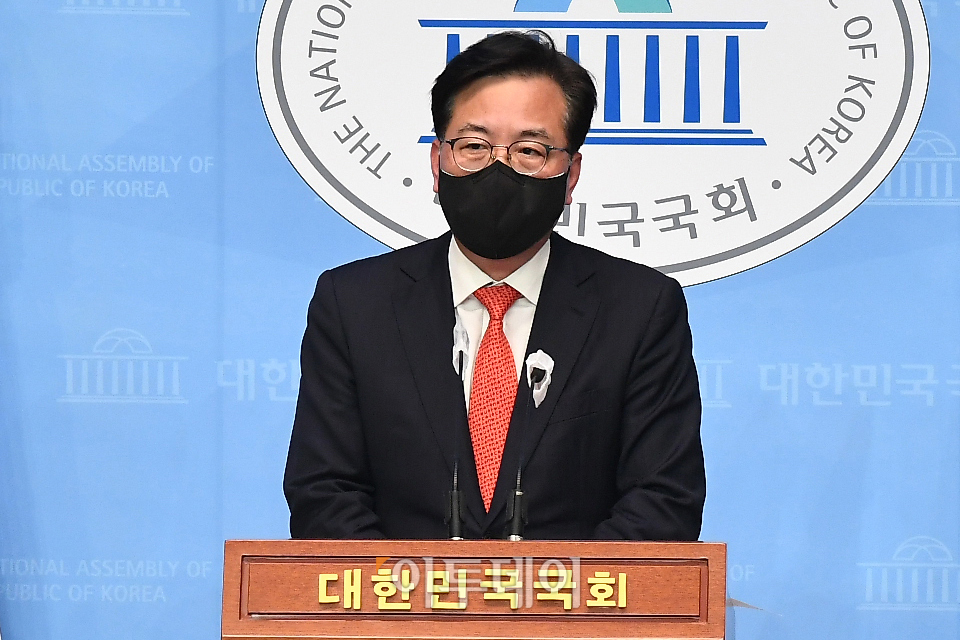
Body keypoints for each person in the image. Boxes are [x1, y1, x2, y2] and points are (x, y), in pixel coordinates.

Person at [283, 31, 705, 540]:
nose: (499, 169)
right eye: (474, 147)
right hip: (397, 591)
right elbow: (324, 492)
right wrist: (415, 587)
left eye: (530, 150)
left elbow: (662, 500)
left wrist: (552, 588)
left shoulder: (639, 308)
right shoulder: (354, 304)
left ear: (570, 175)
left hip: (578, 593)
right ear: (437, 163)